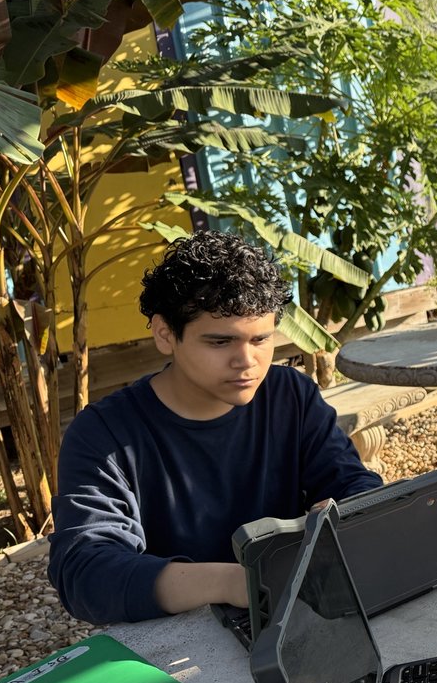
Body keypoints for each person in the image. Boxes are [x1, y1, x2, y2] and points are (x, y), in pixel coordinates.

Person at [47, 230, 382, 625]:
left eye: (261, 339)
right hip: (175, 641)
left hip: (300, 613)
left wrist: (347, 513)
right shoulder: (104, 436)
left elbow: (352, 484)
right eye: (220, 342)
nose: (247, 361)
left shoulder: (290, 395)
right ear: (165, 334)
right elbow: (87, 573)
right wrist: (235, 582)